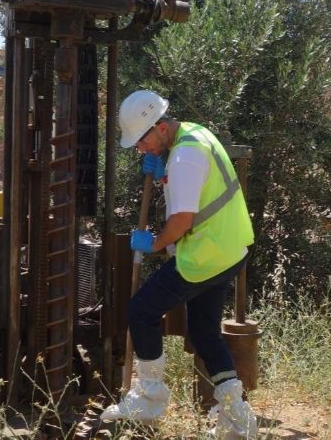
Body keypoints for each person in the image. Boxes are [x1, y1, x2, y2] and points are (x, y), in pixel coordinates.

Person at [101, 89, 259, 439]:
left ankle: (149, 400)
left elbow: (183, 219)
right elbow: (199, 191)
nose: (140, 149)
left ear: (159, 127)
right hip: (228, 251)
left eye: (141, 141)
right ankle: (236, 418)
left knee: (141, 311)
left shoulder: (184, 155)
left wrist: (155, 244)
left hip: (205, 254)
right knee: (204, 332)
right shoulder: (194, 133)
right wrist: (163, 177)